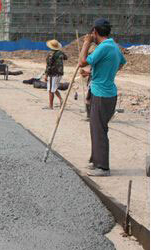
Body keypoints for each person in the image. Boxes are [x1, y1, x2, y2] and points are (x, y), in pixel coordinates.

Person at [79, 18, 126, 177]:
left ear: (95, 32)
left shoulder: (104, 46)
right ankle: (95, 160)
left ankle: (103, 167)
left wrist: (86, 43)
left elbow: (82, 62)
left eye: (92, 33)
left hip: (101, 94)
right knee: (96, 128)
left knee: (99, 130)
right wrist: (98, 73)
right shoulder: (113, 46)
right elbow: (121, 63)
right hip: (108, 93)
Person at [43, 39, 68, 110]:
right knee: (54, 88)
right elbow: (66, 58)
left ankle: (50, 106)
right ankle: (61, 99)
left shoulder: (50, 54)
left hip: (53, 74)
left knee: (51, 90)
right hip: (60, 73)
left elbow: (48, 66)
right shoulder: (60, 53)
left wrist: (46, 75)